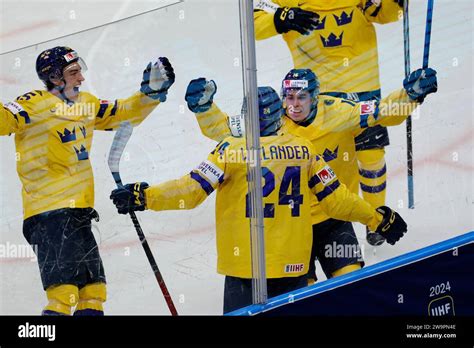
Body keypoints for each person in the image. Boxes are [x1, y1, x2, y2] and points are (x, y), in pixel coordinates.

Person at [110, 86, 408, 313]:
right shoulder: (303, 150)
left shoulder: (230, 151)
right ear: (279, 115)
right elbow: (337, 200)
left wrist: (142, 196)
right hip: (293, 267)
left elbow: (189, 192)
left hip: (245, 268)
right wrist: (377, 219)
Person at [184, 65, 437, 282]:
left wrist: (411, 95)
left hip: (335, 220)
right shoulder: (271, 120)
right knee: (307, 298)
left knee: (352, 286)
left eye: (301, 97)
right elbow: (223, 129)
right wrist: (204, 107)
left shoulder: (340, 112)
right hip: (293, 228)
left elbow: (382, 112)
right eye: (289, 97)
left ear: (315, 96)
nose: (293, 105)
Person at [0, 46, 175, 315]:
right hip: (48, 214)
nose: (80, 77)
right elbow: (5, 121)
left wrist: (149, 93)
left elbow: (121, 114)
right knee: (64, 295)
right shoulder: (31, 102)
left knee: (93, 293)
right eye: (73, 72)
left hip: (79, 212)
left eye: (79, 69)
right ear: (55, 78)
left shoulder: (86, 103)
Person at [254, 0, 405, 245]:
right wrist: (281, 18)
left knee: (371, 154)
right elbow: (253, 24)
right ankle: (319, 219)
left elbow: (387, 13)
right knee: (323, 163)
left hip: (363, 88)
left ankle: (375, 219)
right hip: (318, 99)